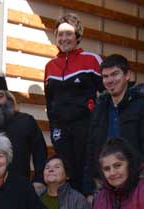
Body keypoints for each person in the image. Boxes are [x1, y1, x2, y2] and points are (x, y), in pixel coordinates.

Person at [83, 54, 144, 197]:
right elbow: (91, 150)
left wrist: (139, 182)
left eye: (115, 74)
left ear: (127, 75)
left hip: (137, 186)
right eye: (105, 76)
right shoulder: (99, 109)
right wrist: (90, 188)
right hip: (105, 186)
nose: (109, 80)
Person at [44, 13, 104, 192]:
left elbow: (108, 93)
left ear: (78, 36)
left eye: (68, 33)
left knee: (86, 172)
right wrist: (53, 125)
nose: (64, 38)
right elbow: (50, 101)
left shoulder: (91, 59)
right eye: (60, 34)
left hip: (86, 127)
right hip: (61, 129)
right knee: (67, 173)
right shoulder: (50, 66)